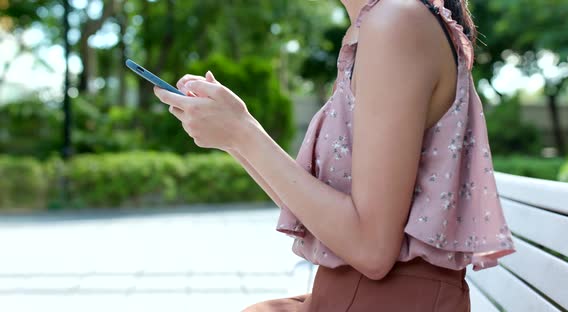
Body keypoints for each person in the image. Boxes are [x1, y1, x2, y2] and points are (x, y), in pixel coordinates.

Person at [153, 0, 517, 310]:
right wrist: (235, 135)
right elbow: (328, 216)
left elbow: (372, 249)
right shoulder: (385, 22)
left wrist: (243, 134)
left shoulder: (397, 21)